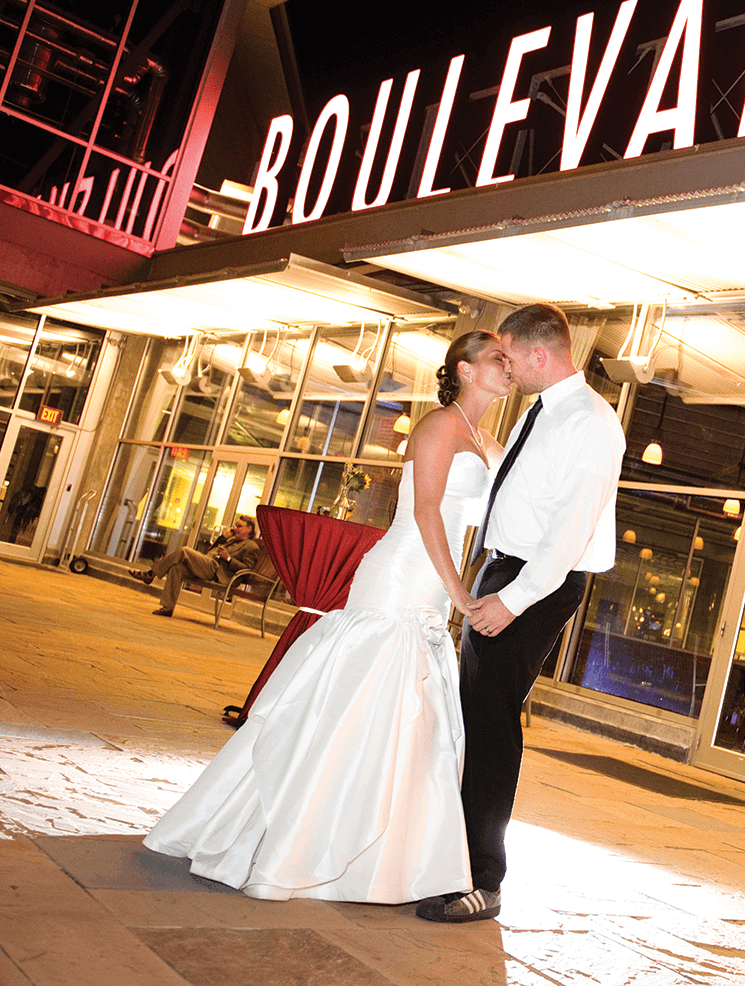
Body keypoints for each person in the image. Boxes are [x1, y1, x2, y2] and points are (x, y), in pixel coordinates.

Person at [142, 330, 512, 902]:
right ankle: (292, 843)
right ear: (463, 368)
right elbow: (426, 513)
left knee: (410, 723)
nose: (508, 368)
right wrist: (460, 591)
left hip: (435, 588)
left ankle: (389, 860)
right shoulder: (438, 425)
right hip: (400, 575)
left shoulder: (489, 438)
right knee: (355, 709)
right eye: (496, 359)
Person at [418, 303, 625, 924]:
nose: (505, 366)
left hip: (536, 581)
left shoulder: (590, 420)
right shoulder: (542, 411)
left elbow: (568, 535)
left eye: (509, 356)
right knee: (476, 713)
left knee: (492, 725)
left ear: (541, 355)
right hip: (503, 569)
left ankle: (484, 881)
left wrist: (510, 600)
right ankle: (452, 860)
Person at [130, 515, 262, 617]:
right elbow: (212, 550)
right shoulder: (232, 539)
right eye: (236, 525)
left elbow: (247, 570)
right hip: (208, 562)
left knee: (184, 551)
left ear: (248, 529)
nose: (235, 529)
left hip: (217, 570)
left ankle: (151, 574)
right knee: (177, 568)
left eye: (239, 526)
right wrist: (222, 537)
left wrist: (228, 558)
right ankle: (167, 608)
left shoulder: (251, 546)